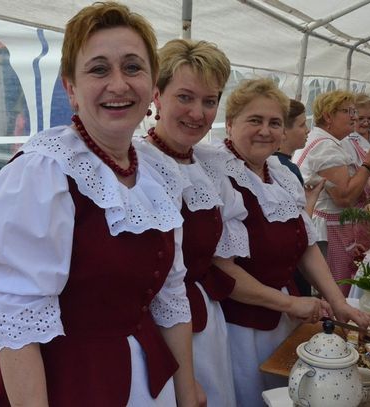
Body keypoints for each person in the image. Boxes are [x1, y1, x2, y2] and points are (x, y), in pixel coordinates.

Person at [0, 3, 201, 406]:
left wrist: (187, 391)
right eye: (98, 69)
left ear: (152, 85)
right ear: (71, 88)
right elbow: (18, 320)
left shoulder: (157, 171)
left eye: (132, 67)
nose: (119, 84)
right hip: (61, 384)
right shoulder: (44, 173)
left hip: (141, 374)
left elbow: (170, 293)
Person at [197, 79, 370, 406]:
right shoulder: (216, 174)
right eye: (255, 120)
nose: (265, 131)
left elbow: (306, 245)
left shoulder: (278, 172)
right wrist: (291, 305)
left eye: (274, 123)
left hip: (281, 315)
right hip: (239, 327)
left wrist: (339, 302)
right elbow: (222, 270)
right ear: (231, 123)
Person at [135, 38, 239, 406]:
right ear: (156, 96)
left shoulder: (208, 165)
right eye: (185, 97)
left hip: (205, 324)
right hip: (157, 333)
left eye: (209, 101)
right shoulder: (137, 165)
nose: (198, 112)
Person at [293, 90, 370, 295]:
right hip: (328, 228)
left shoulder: (328, 141)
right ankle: (333, 325)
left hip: (333, 225)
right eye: (348, 111)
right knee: (333, 290)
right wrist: (369, 164)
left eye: (354, 111)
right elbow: (344, 197)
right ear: (328, 115)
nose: (354, 116)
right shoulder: (325, 147)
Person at [274, 99, 323, 296]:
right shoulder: (286, 169)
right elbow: (298, 229)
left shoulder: (280, 164)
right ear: (284, 131)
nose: (307, 130)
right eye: (302, 125)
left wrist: (309, 198)